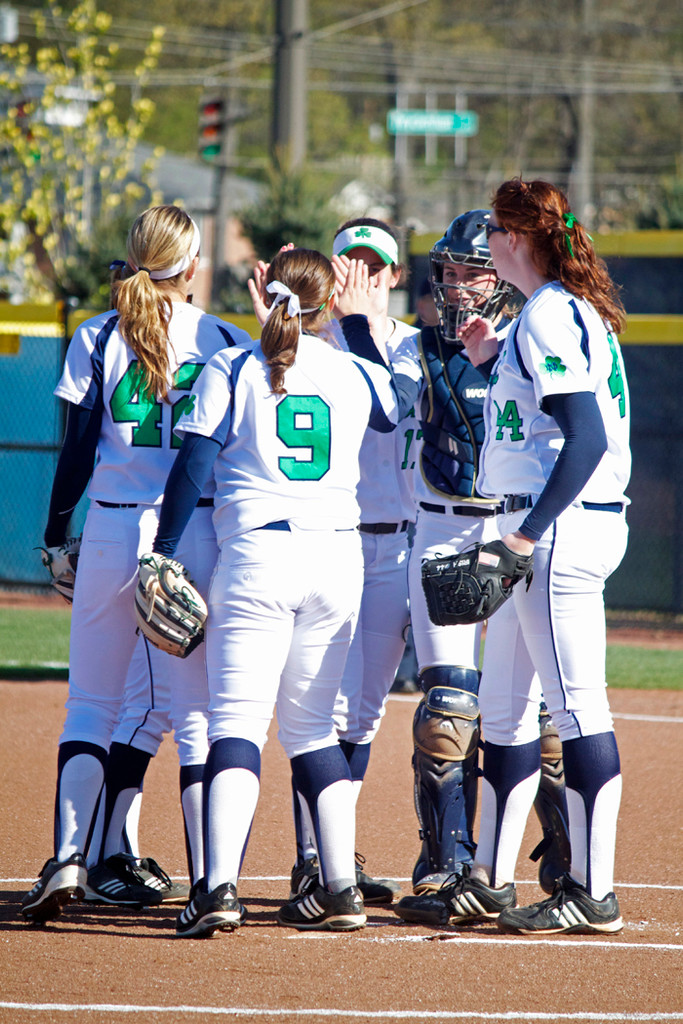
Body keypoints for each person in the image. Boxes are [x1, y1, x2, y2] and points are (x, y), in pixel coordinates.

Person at [149, 246, 400, 937]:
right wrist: (350, 322)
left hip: (259, 552)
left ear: (268, 295)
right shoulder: (352, 370)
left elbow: (193, 466)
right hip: (337, 558)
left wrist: (162, 555)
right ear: (325, 304)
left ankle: (219, 890)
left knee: (236, 723)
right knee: (313, 728)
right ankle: (340, 886)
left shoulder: (233, 365)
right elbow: (388, 408)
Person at [410, 177, 630, 935]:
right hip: (528, 528)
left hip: (553, 532)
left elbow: (587, 438)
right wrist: (486, 360)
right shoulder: (552, 314)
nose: (487, 246)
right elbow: (532, 418)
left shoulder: (549, 314)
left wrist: (525, 535)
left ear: (516, 241)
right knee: (501, 714)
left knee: (575, 709)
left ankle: (590, 891)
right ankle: (490, 879)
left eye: (497, 234)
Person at [21, 205, 252, 923]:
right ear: (191, 265)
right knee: (196, 717)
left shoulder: (96, 334)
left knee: (90, 705)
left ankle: (67, 857)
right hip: (189, 536)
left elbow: (77, 453)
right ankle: (211, 878)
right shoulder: (224, 340)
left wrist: (58, 538)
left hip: (112, 531)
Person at [338, 212, 571, 916]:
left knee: (542, 721)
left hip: (510, 531)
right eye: (446, 270)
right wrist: (353, 324)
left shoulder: (529, 341)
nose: (454, 284)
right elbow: (383, 401)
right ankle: (447, 861)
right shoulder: (414, 349)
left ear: (500, 275)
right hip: (438, 532)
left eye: (471, 270)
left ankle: (565, 856)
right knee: (448, 711)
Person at [286, 219, 422, 906]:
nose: (362, 277)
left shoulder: (412, 346)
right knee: (318, 705)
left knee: (362, 715)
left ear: (394, 276)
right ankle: (312, 857)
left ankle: (332, 849)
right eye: (350, 263)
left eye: (375, 266)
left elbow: (395, 414)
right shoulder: (308, 344)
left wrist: (360, 322)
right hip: (332, 541)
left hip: (400, 541)